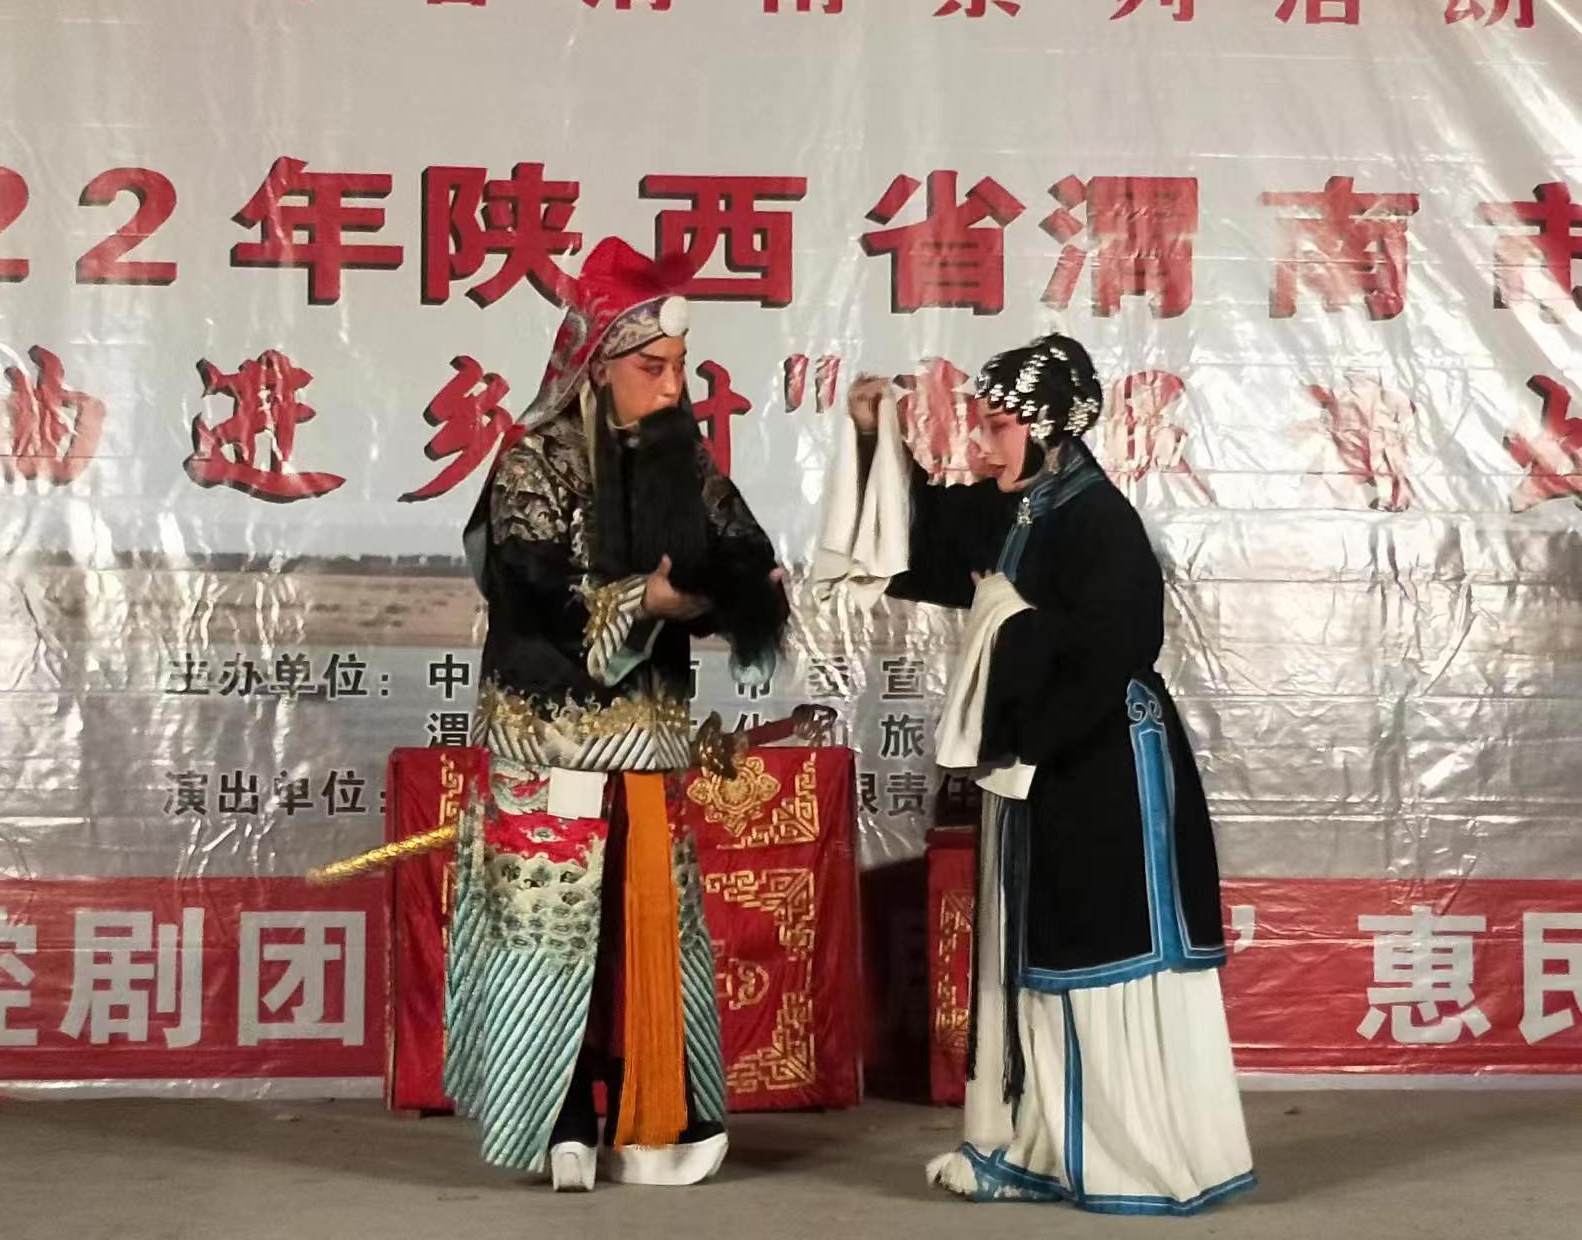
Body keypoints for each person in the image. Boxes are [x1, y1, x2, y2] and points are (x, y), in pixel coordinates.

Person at [833, 334, 1255, 1215]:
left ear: (1048, 427)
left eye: (997, 427)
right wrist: (877, 438)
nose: (982, 447)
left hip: (1105, 761)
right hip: (1044, 753)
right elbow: (922, 535)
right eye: (980, 426)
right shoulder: (1021, 508)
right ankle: (1040, 1150)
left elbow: (1118, 645)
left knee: (1103, 958)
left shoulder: (1100, 519)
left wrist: (1009, 624)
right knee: (1035, 958)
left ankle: (1135, 1159)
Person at [446, 237, 789, 1192]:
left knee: (646, 935)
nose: (673, 387)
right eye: (652, 368)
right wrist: (646, 601)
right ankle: (556, 1117)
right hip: (548, 750)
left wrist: (740, 590)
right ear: (597, 367)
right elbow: (533, 594)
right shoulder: (533, 462)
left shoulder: (683, 460)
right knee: (549, 939)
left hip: (644, 752)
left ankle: (653, 1110)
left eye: (680, 366)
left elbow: (739, 543)